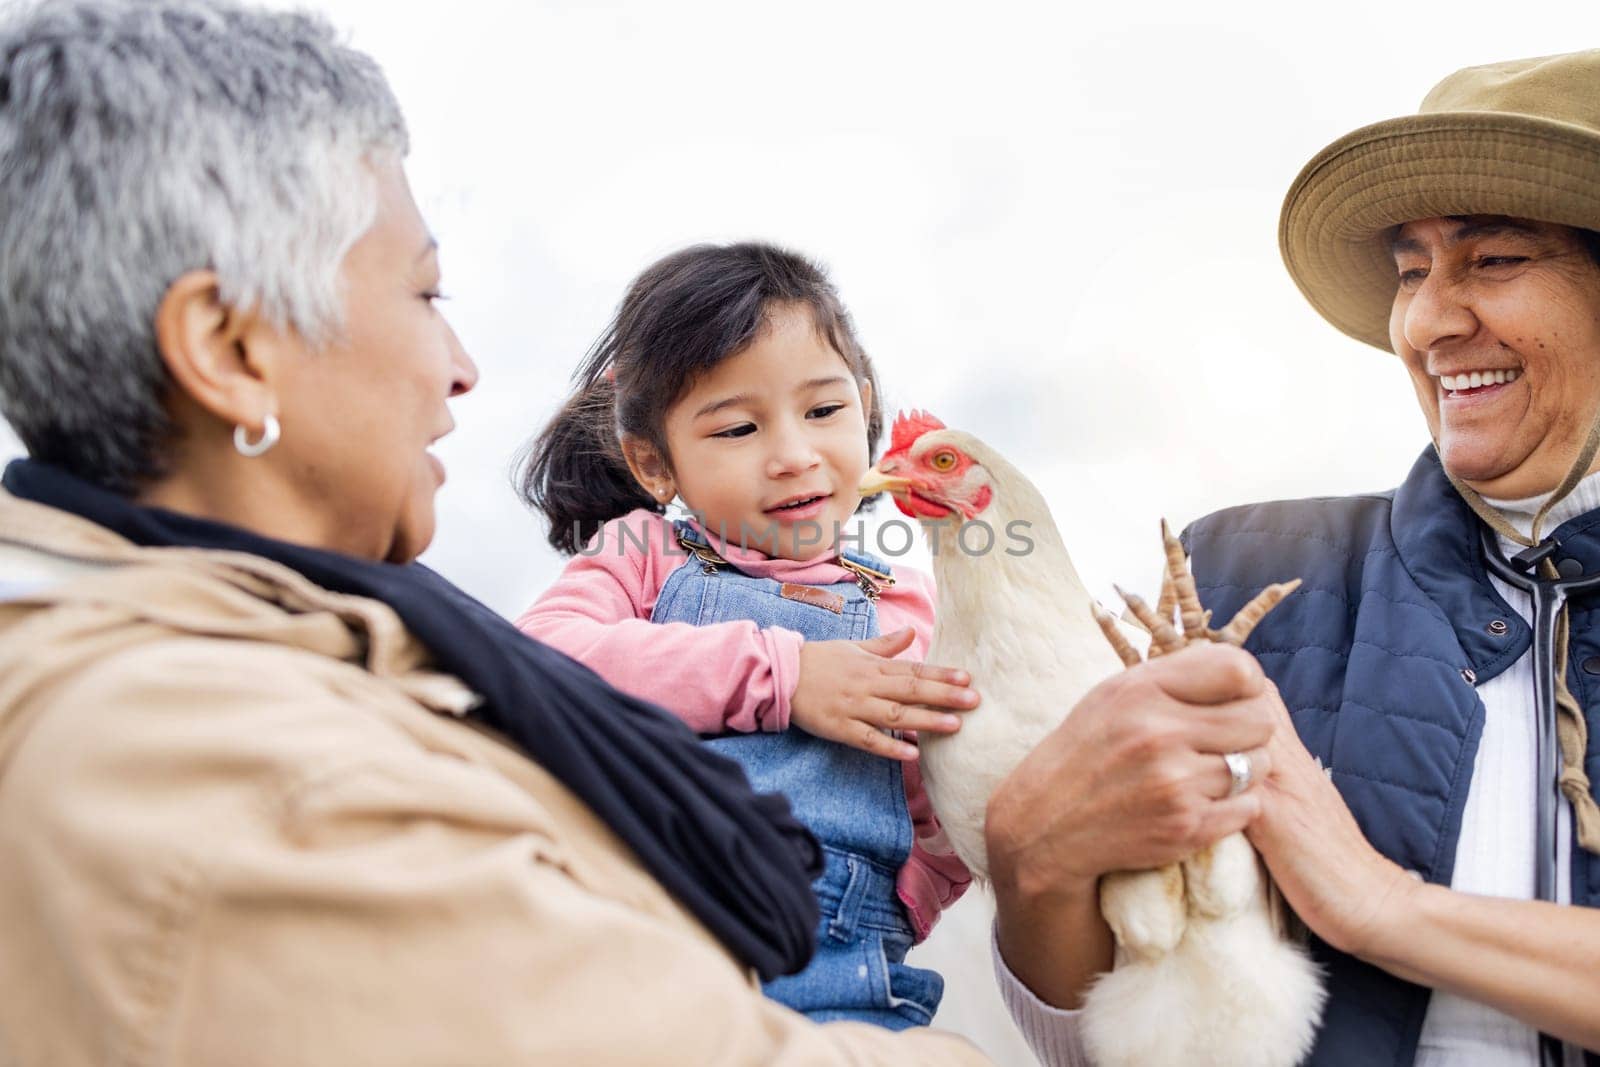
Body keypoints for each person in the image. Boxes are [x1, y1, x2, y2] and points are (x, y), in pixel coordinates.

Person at [0, 2, 1008, 1062]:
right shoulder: (247, 772)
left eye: (823, 408)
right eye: (425, 289)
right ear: (230, 348)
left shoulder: (283, 666)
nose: (463, 365)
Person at [984, 48, 1600, 1067]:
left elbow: (1360, 900)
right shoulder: (1237, 572)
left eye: (1492, 261)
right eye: (1412, 269)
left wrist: (1378, 902)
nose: (1428, 321)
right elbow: (1103, 1032)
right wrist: (1032, 864)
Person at [515, 242, 979, 1029]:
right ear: (655, 464)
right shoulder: (646, 552)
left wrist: (918, 886)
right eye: (737, 428)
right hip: (641, 925)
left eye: (825, 411)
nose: (794, 455)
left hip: (838, 953)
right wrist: (784, 675)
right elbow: (544, 661)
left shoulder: (907, 598)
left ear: (864, 409)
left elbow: (951, 797)